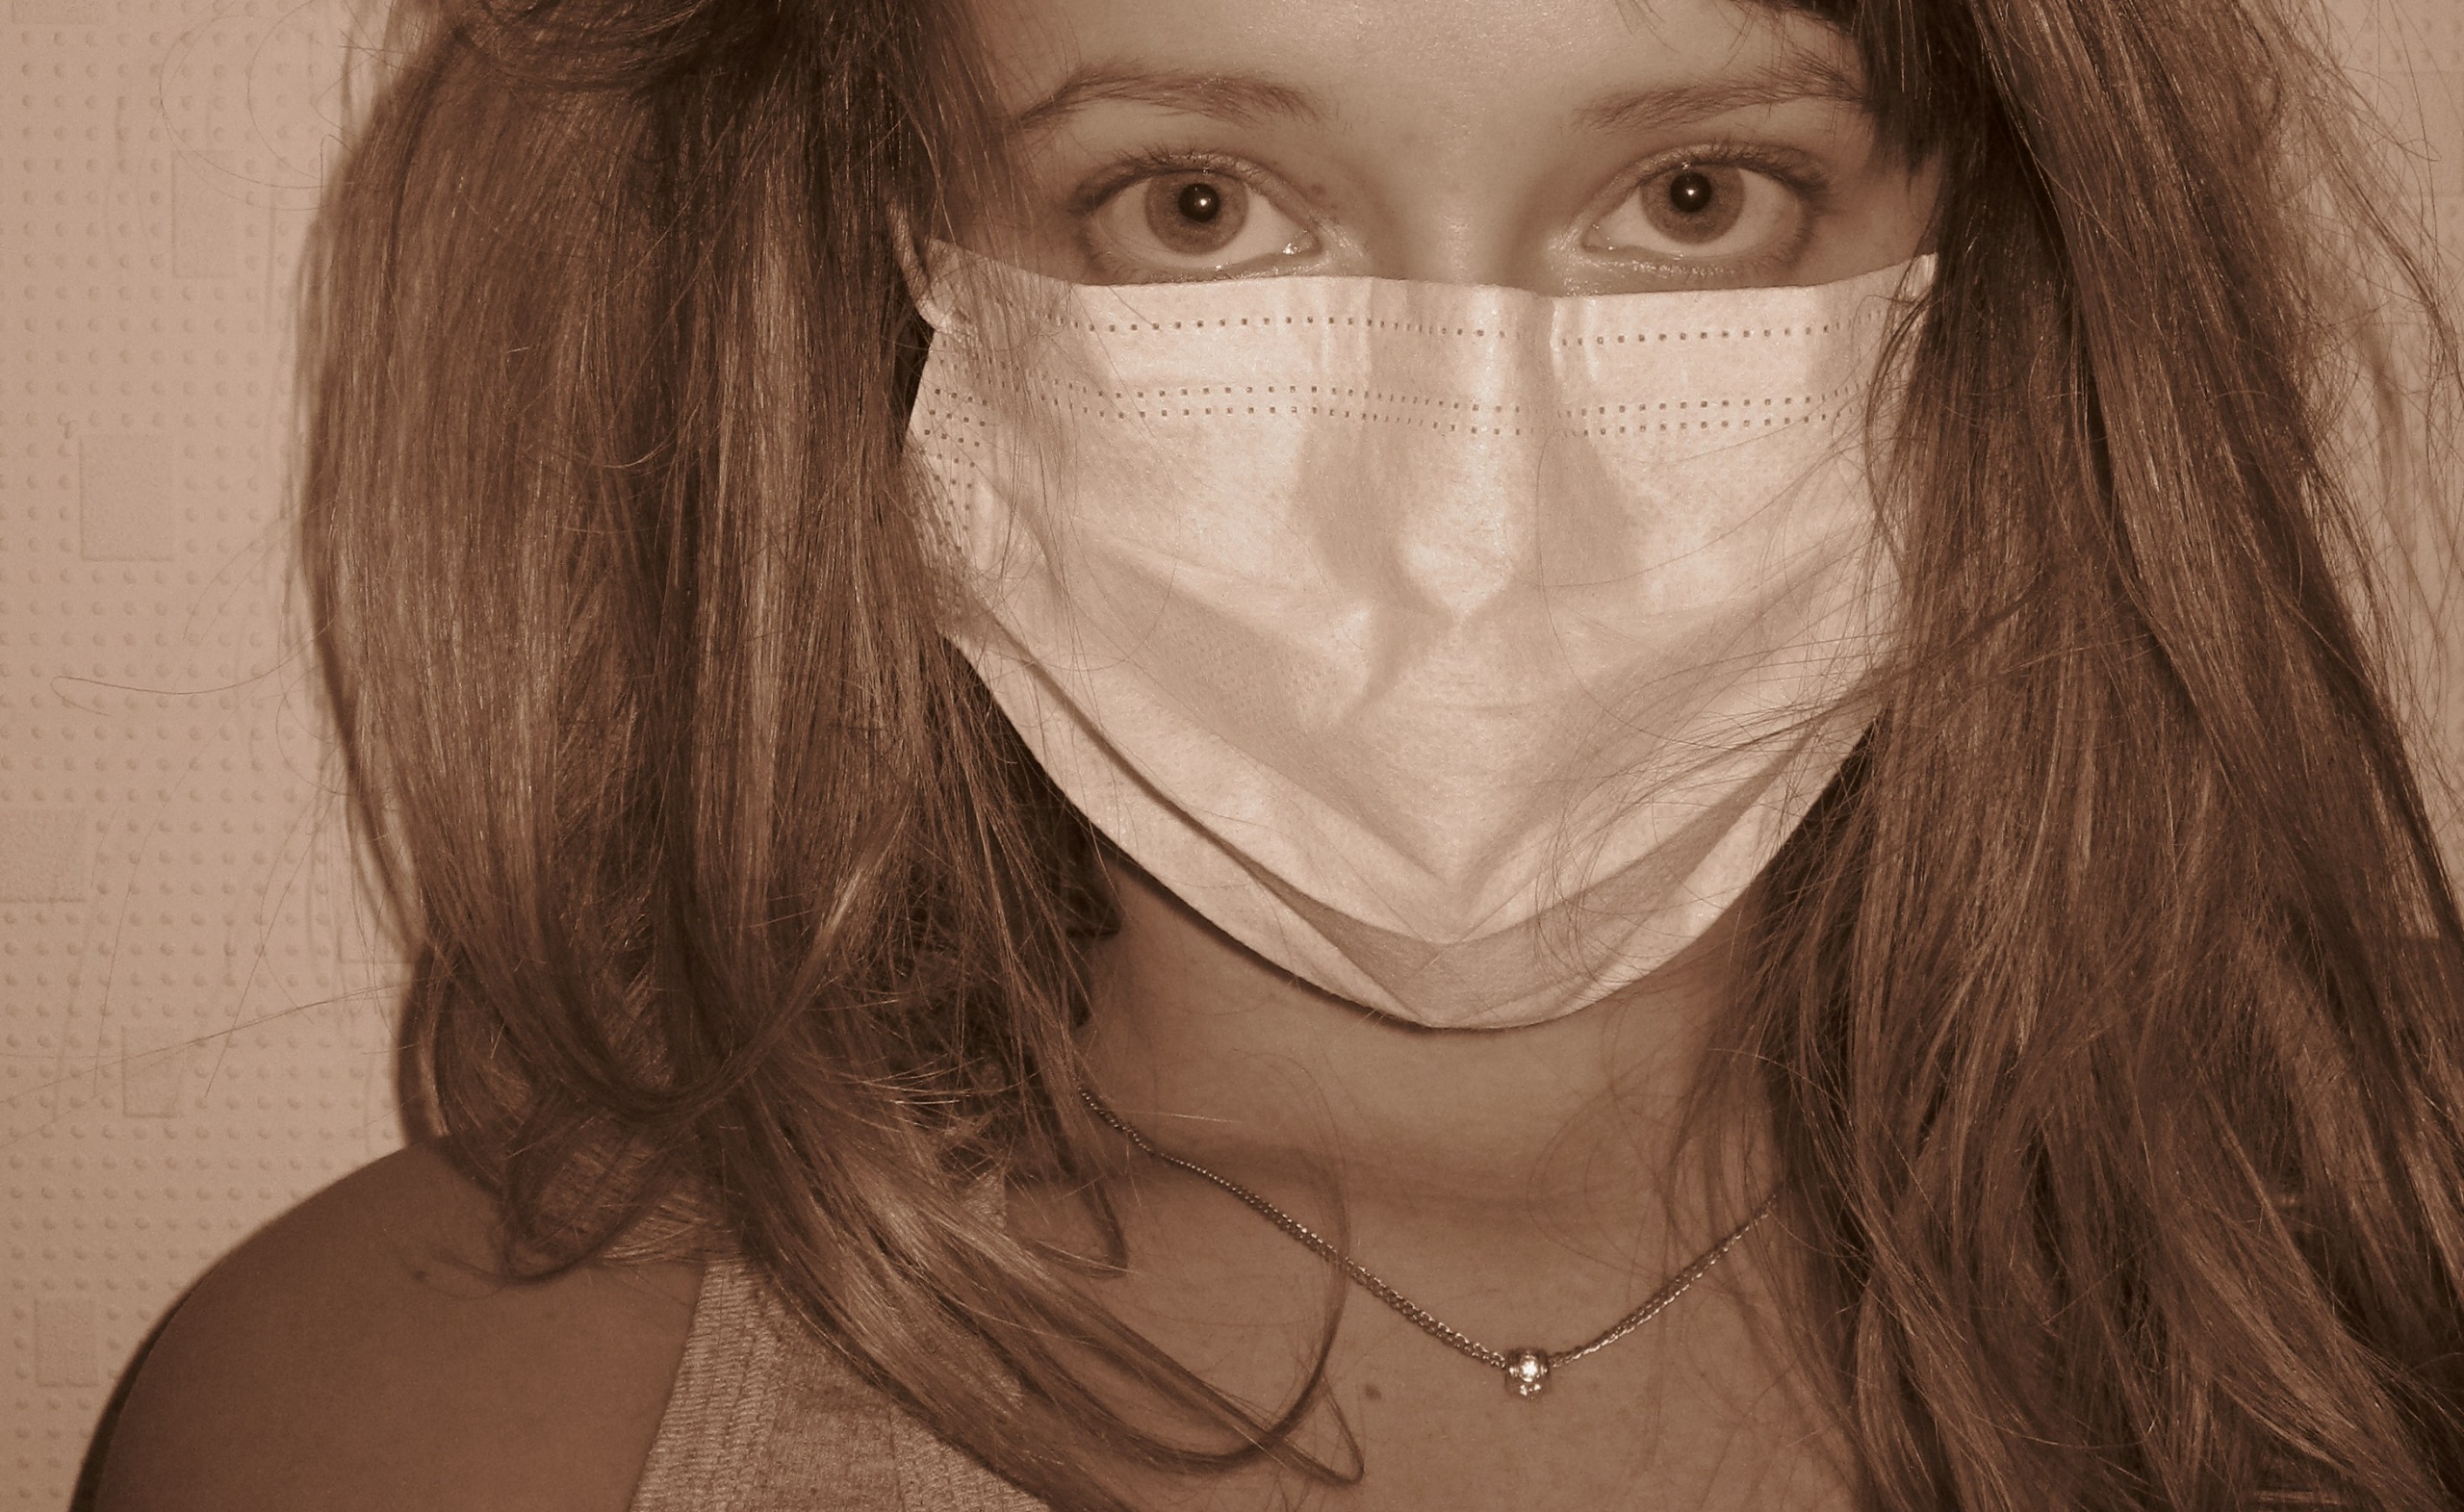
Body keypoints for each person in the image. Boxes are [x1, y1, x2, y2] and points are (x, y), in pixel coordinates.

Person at [81, 0, 2464, 1506]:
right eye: (1197, 205)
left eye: (1687, 197)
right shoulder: (406, 1417)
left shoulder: (2377, 1274)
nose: (1460, 513)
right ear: (896, 257)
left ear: (1976, 254)